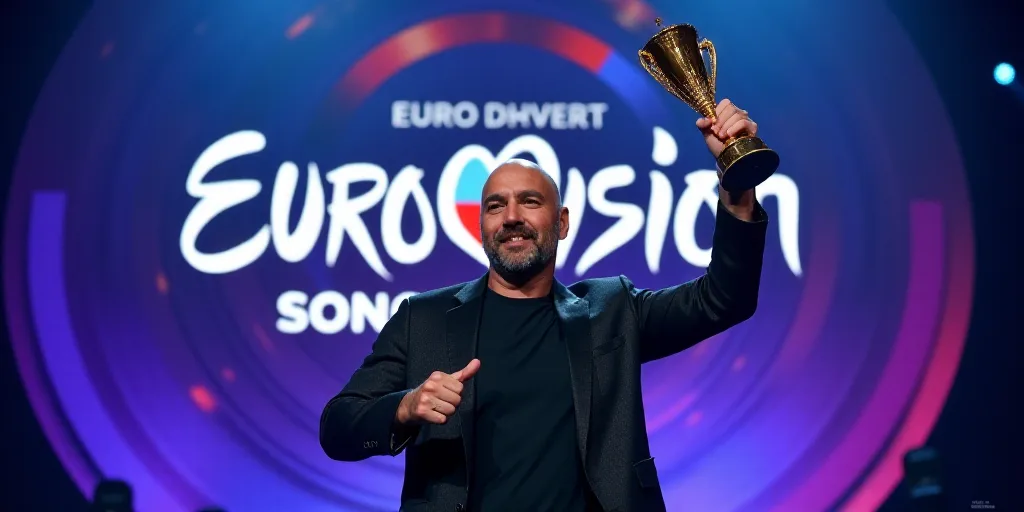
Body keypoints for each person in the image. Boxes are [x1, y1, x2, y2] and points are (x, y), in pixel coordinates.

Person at [319, 99, 769, 512]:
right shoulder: (425, 319)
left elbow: (724, 299)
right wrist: (405, 406)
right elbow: (338, 427)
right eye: (496, 206)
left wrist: (738, 184)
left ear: (562, 222)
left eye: (529, 202)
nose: (511, 216)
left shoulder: (612, 310)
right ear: (481, 228)